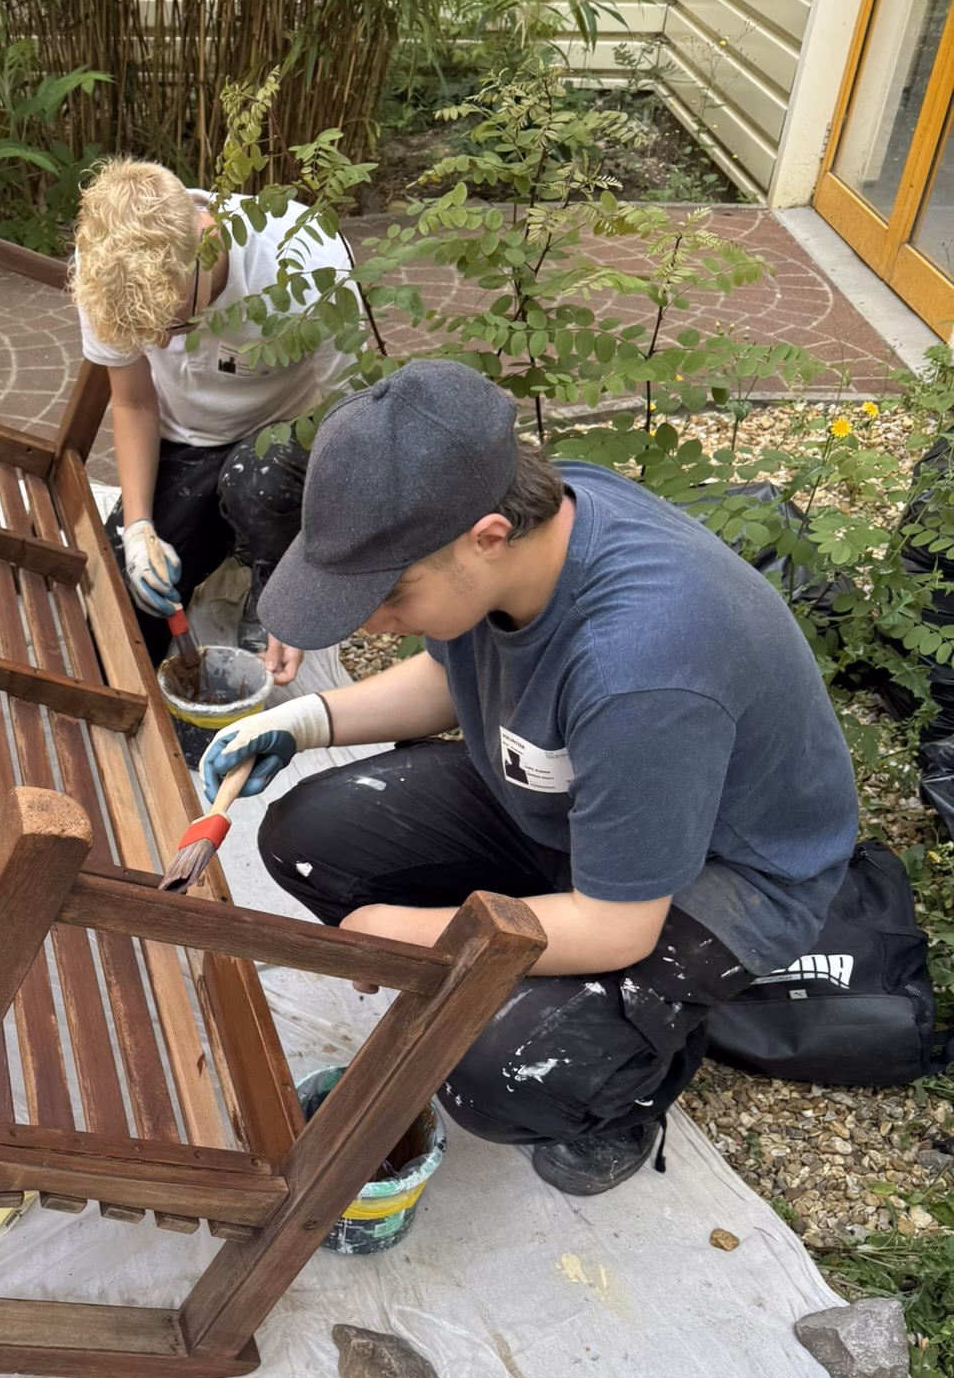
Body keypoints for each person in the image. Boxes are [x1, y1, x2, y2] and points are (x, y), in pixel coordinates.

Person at [199, 359, 861, 1196]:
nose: (372, 623)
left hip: (719, 875)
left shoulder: (639, 667)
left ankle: (628, 1087)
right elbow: (452, 673)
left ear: (486, 537)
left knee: (491, 1073)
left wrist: (419, 933)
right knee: (308, 839)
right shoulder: (525, 524)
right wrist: (306, 722)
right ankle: (524, 948)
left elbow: (617, 925)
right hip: (581, 797)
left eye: (390, 595)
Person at [69, 157, 355, 681]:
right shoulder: (107, 270)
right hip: (189, 437)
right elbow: (134, 402)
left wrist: (305, 584)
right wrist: (139, 528)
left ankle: (269, 577)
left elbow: (350, 419)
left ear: (209, 242)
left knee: (256, 484)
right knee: (117, 607)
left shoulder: (307, 264)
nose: (159, 344)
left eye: (175, 325)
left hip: (285, 441)